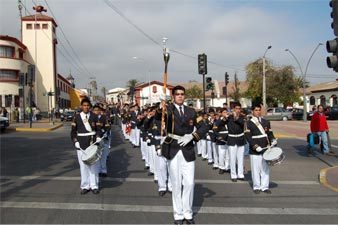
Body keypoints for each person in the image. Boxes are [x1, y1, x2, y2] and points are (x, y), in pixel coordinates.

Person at [160, 85, 208, 225]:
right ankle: (178, 215)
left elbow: (204, 126)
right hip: (173, 147)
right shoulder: (168, 109)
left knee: (189, 183)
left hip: (187, 148)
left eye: (182, 94)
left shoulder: (191, 111)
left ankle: (188, 213)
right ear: (173, 96)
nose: (180, 96)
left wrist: (193, 136)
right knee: (176, 184)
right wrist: (161, 105)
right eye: (177, 94)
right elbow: (159, 117)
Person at [70, 98, 102, 195]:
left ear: (90, 106)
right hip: (81, 144)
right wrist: (75, 141)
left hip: (92, 143)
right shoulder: (77, 117)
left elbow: (99, 129)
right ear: (81, 106)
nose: (86, 107)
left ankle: (94, 185)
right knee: (83, 166)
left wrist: (98, 137)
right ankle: (85, 186)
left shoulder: (94, 116)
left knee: (94, 165)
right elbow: (73, 132)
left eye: (88, 105)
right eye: (84, 105)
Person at [245, 104, 277, 194]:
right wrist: (255, 146)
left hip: (266, 147)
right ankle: (256, 187)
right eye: (256, 110)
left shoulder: (266, 121)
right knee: (255, 169)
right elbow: (248, 136)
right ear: (252, 111)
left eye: (259, 110)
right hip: (255, 148)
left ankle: (265, 187)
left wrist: (273, 140)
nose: (258, 112)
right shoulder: (248, 123)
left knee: (265, 168)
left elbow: (270, 134)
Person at [227, 102, 246, 182]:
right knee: (232, 158)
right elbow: (219, 124)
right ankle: (233, 175)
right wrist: (224, 117)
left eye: (239, 109)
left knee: (240, 158)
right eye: (236, 109)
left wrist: (236, 117)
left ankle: (240, 174)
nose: (238, 110)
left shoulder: (242, 117)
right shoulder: (229, 117)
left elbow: (242, 123)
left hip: (240, 139)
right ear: (233, 109)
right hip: (231, 139)